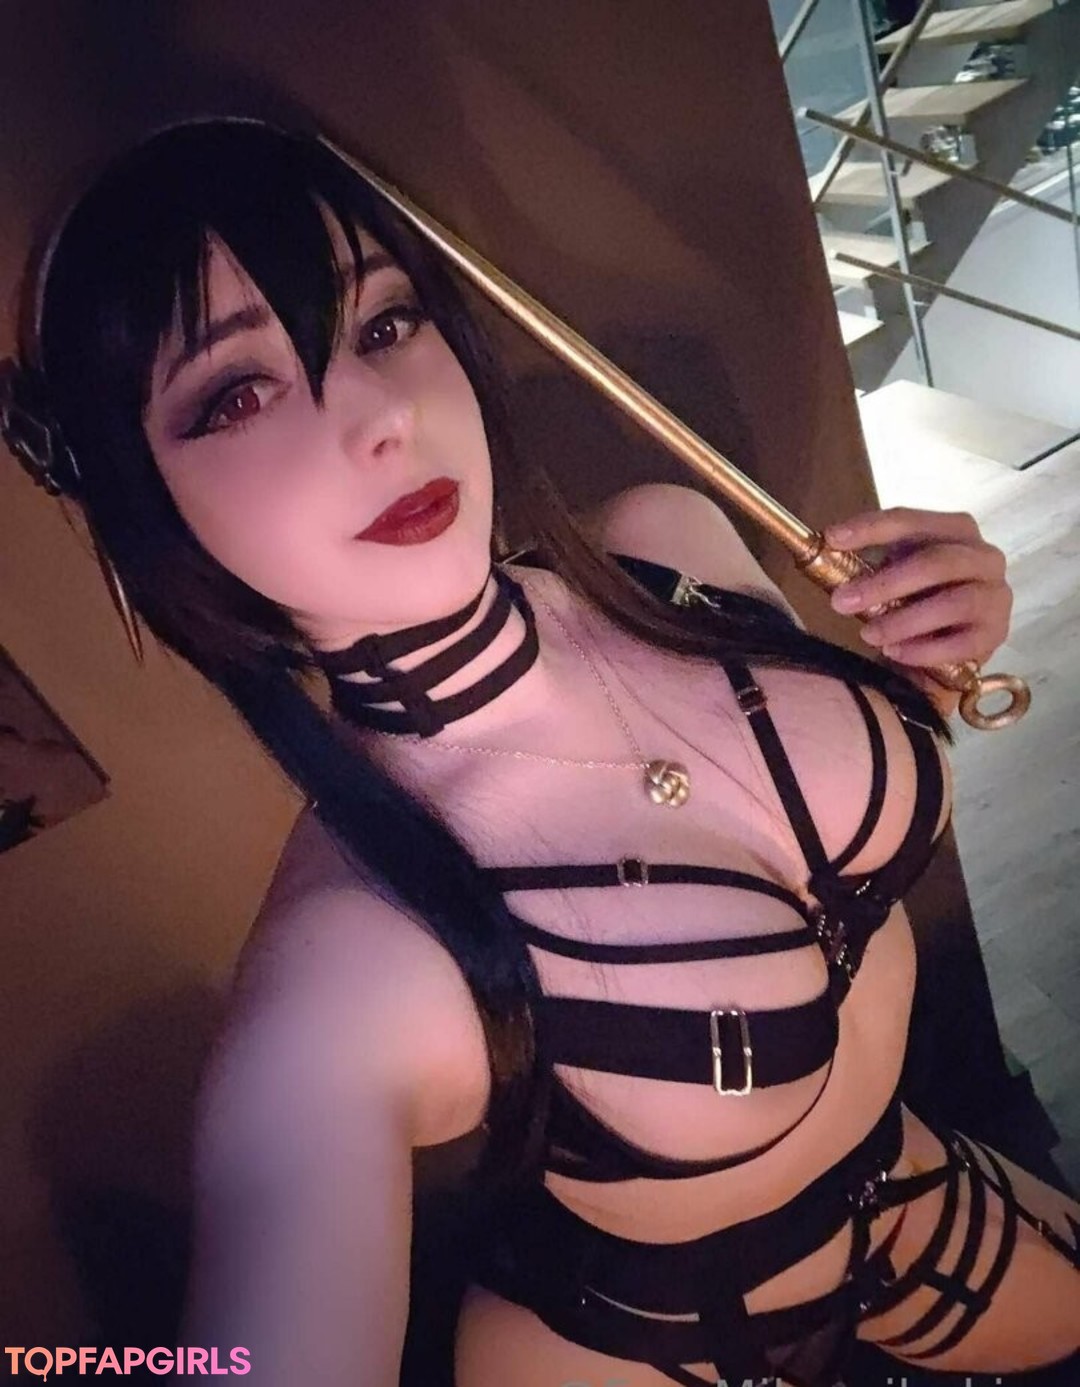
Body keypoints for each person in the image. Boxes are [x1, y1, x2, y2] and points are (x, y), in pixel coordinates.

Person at [2, 115, 1077, 1387]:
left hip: (913, 1194)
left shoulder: (669, 543)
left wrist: (935, 651)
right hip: (635, 1350)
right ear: (149, 509)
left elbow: (805, 799)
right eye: (238, 393)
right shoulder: (345, 979)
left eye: (384, 323)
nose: (384, 416)